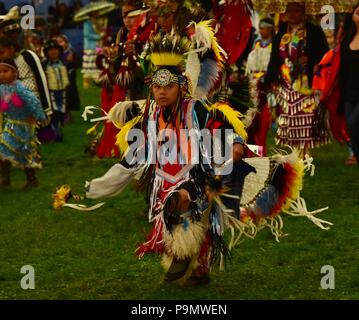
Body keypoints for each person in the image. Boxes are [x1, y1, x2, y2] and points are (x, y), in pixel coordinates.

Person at [82, 31, 331, 286]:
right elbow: (131, 160)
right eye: (157, 87)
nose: (162, 92)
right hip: (163, 181)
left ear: (180, 87)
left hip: (197, 176)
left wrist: (234, 144)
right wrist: (98, 187)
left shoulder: (195, 109)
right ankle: (195, 266)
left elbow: (221, 126)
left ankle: (186, 257)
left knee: (182, 206)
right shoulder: (151, 116)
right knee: (178, 225)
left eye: (168, 87)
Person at [265, 2, 330, 156]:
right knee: (289, 115)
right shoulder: (281, 32)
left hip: (306, 81)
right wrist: (271, 77)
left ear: (303, 12)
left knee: (306, 116)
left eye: (296, 10)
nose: (292, 14)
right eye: (289, 10)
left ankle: (304, 150)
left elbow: (324, 54)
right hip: (286, 80)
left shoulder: (314, 31)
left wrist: (311, 60)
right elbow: (274, 57)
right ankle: (293, 149)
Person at [0, 59, 46, 188]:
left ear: (15, 72)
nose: (2, 75)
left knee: (25, 152)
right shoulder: (1, 88)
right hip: (10, 125)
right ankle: (5, 178)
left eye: (5, 71)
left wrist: (38, 116)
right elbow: (3, 105)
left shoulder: (20, 88)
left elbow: (33, 102)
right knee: (3, 148)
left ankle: (31, 179)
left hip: (25, 126)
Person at [245, 17, 275, 156]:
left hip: (269, 83)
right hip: (255, 82)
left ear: (271, 28)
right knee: (253, 115)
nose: (261, 30)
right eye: (260, 28)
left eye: (264, 27)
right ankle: (255, 147)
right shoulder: (257, 42)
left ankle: (261, 145)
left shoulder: (275, 43)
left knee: (265, 114)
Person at [339, 3, 359, 164]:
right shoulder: (347, 40)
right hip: (349, 92)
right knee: (350, 128)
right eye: (358, 13)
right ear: (352, 16)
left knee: (353, 125)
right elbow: (342, 69)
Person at [42, 39, 70, 142]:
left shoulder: (65, 63)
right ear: (46, 52)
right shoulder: (44, 65)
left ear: (59, 51)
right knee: (53, 114)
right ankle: (55, 132)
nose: (53, 52)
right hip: (51, 93)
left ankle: (58, 128)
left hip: (63, 92)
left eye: (55, 50)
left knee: (61, 112)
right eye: (50, 50)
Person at [57, 34, 81, 111]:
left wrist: (72, 61)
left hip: (70, 79)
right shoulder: (56, 53)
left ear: (66, 43)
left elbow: (78, 64)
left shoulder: (71, 52)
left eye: (61, 42)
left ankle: (68, 112)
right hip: (58, 78)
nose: (59, 44)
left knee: (69, 95)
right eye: (57, 43)